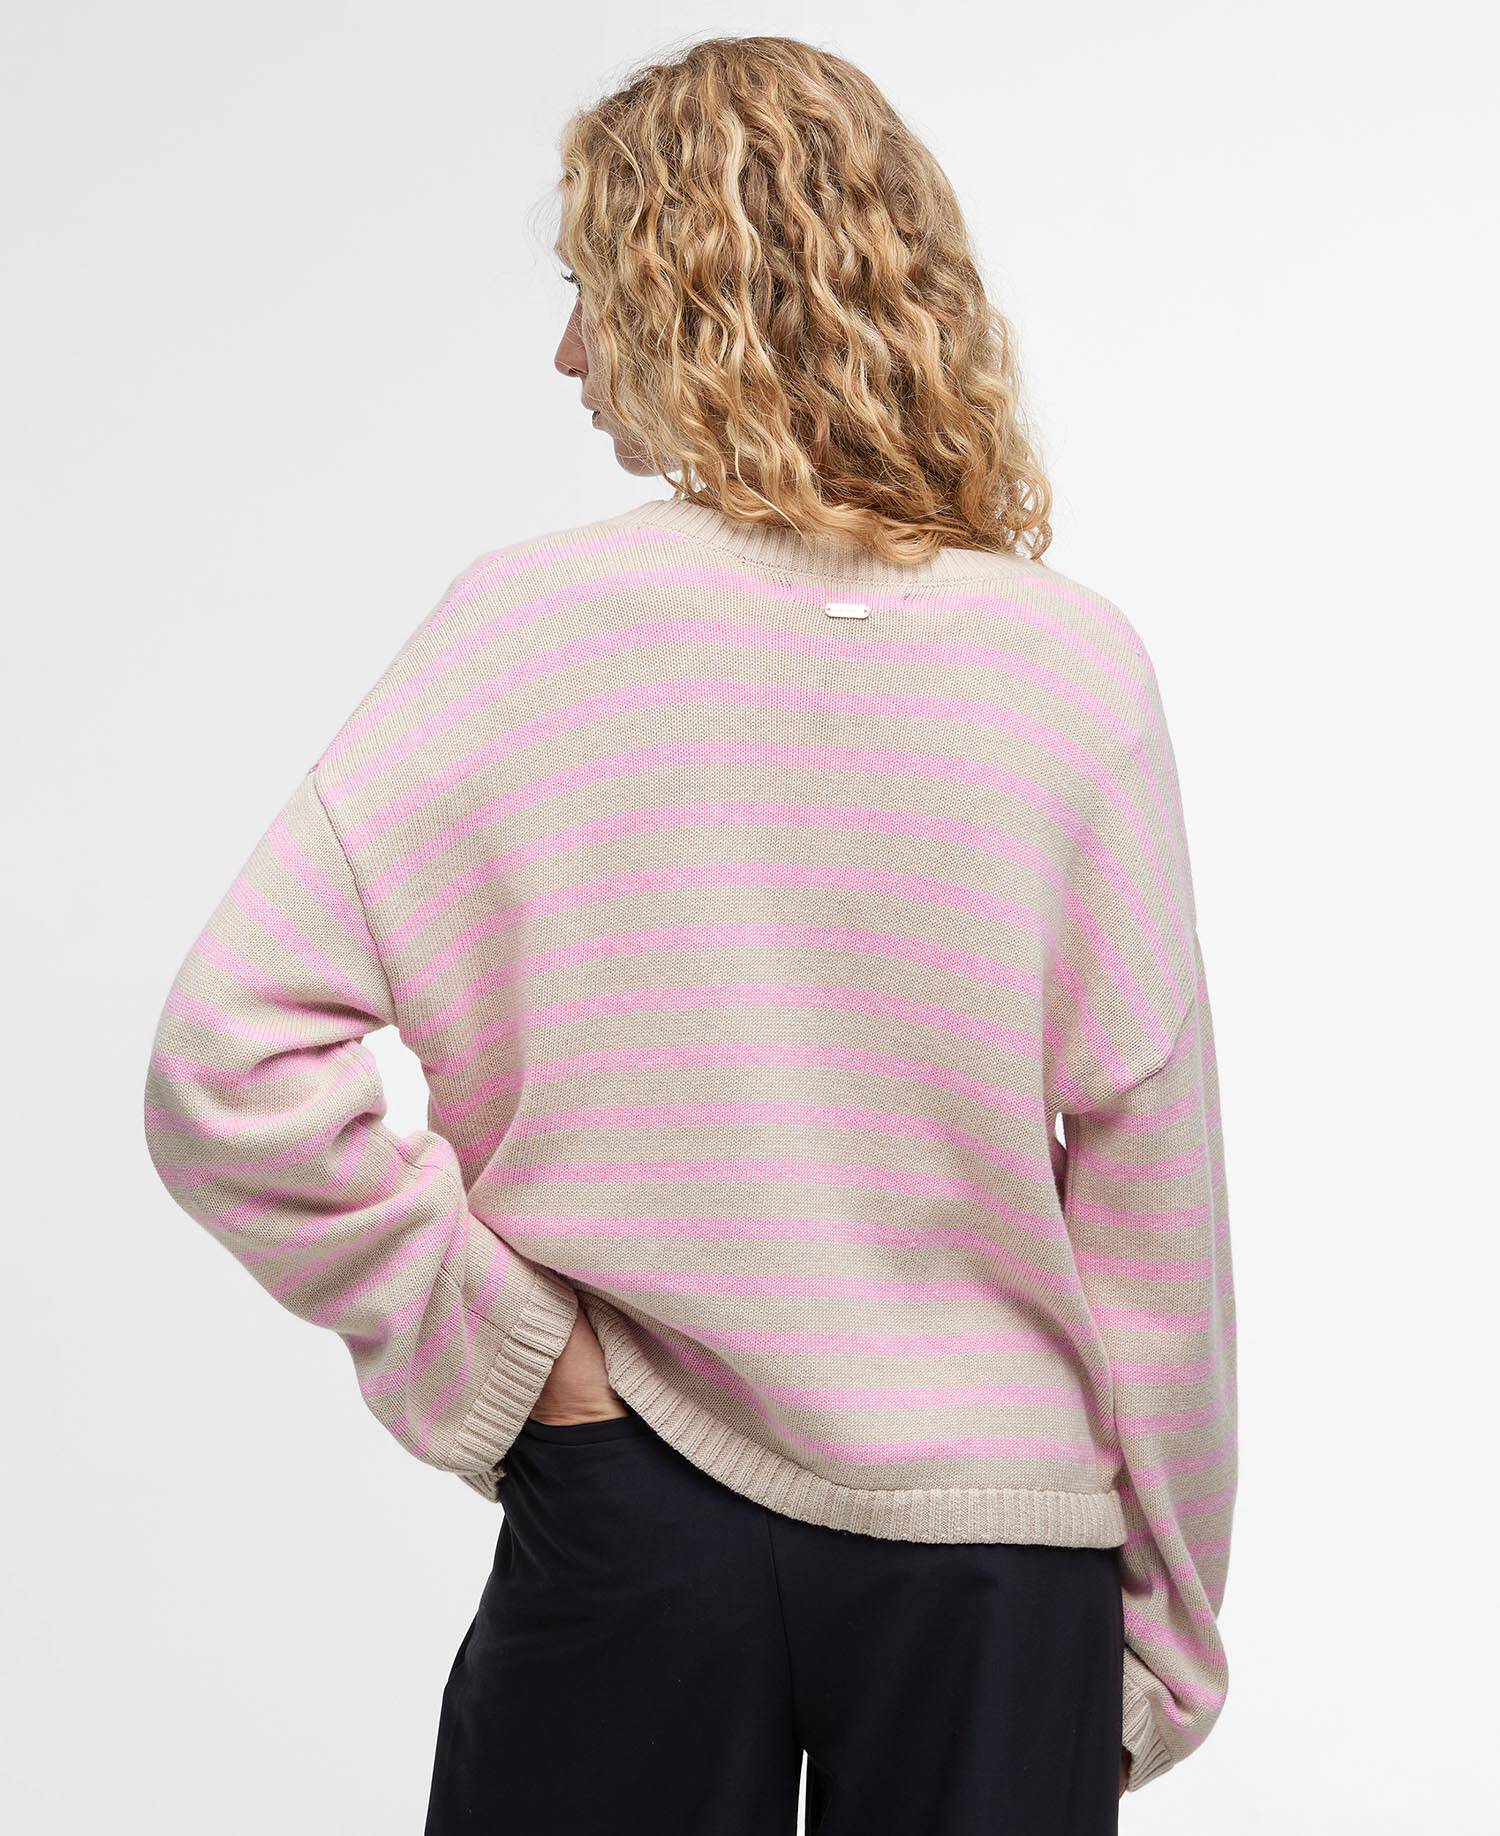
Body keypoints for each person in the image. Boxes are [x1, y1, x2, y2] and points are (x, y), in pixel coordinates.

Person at [143, 33, 1237, 1835]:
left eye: (591, 289)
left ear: (688, 299)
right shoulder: (1073, 669)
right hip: (999, 1551)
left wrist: (513, 1360)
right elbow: (1154, 1204)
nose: (569, 354)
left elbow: (225, 1057)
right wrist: (1166, 1629)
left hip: (643, 1495)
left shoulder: (525, 635)